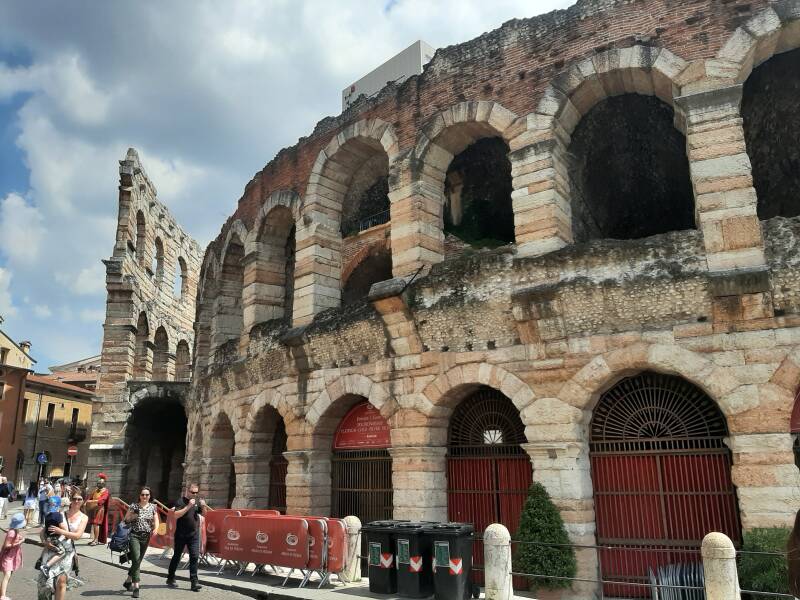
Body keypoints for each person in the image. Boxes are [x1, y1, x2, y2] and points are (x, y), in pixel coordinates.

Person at [37, 492, 88, 600]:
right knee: (45, 583)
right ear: (70, 500)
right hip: (51, 549)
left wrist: (61, 531)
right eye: (74, 498)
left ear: (83, 501)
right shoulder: (60, 513)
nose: (76, 501)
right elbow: (43, 531)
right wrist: (45, 542)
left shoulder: (84, 517)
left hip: (67, 552)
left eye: (79, 499)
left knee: (61, 582)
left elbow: (77, 536)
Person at [166, 483, 205, 592]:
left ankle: (194, 582)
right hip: (181, 534)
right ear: (188, 491)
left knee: (194, 556)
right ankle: (170, 577)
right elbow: (176, 515)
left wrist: (203, 506)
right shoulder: (180, 501)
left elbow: (203, 514)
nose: (195, 494)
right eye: (193, 492)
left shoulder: (196, 502)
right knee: (177, 556)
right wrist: (188, 506)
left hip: (194, 535)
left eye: (196, 492)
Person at [122, 487, 159, 598]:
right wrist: (132, 515)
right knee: (136, 559)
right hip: (134, 536)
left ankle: (127, 581)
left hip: (146, 537)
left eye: (147, 495)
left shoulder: (153, 507)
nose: (144, 496)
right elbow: (125, 520)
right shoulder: (134, 506)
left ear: (150, 496)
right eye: (142, 494)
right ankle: (136, 586)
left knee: (137, 561)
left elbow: (156, 519)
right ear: (139, 495)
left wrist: (156, 529)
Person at [0, 512, 25, 600]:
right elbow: (6, 545)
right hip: (8, 556)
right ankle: (2, 596)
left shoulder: (15, 530)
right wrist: (20, 542)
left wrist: (19, 538)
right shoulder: (12, 532)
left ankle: (2, 593)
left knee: (9, 574)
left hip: (12, 556)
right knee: (7, 575)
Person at [39, 497, 67, 577]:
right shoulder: (58, 515)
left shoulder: (47, 515)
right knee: (62, 552)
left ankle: (40, 561)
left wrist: (44, 540)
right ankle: (46, 566)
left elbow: (44, 529)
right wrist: (65, 530)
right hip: (55, 538)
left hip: (48, 537)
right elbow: (63, 527)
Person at [83, 474, 110, 546]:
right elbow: (90, 496)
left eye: (100, 483)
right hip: (93, 508)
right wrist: (86, 502)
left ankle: (96, 540)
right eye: (98, 483)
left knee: (96, 524)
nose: (99, 484)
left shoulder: (105, 491)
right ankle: (95, 539)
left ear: (103, 484)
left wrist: (92, 501)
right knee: (94, 524)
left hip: (99, 509)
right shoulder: (95, 490)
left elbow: (102, 500)